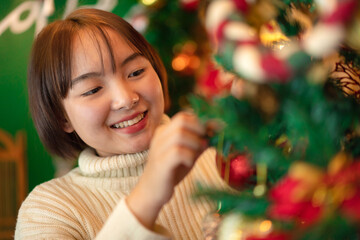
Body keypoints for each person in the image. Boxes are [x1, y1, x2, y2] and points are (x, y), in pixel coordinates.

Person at [15, 8, 226, 239]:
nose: (126, 99)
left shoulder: (221, 159)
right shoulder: (49, 210)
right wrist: (147, 196)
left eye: (136, 72)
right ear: (61, 117)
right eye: (93, 89)